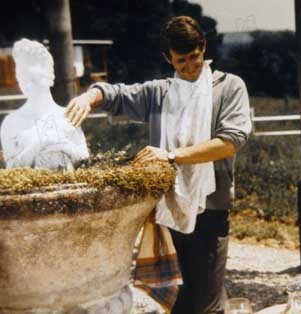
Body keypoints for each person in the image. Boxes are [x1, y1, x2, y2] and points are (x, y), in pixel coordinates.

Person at [64, 16, 252, 314]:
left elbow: (230, 141)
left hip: (210, 208)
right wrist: (90, 96)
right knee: (178, 301)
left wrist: (171, 155)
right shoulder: (160, 92)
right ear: (168, 58)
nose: (190, 67)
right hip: (168, 210)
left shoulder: (228, 87)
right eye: (181, 61)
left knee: (208, 304)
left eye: (195, 57)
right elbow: (116, 94)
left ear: (203, 47)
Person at [0, 38, 89, 170]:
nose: (27, 84)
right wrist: (38, 146)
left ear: (50, 76)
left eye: (33, 79)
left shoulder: (67, 116)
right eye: (22, 78)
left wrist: (62, 145)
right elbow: (10, 169)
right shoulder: (11, 122)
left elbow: (84, 159)